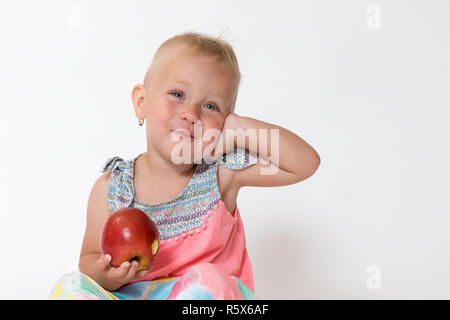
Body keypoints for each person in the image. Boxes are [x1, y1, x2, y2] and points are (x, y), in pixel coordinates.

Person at [49, 31, 321, 300]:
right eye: (177, 94)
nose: (191, 114)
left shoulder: (222, 174)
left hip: (201, 300)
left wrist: (242, 129)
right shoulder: (113, 188)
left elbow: (304, 164)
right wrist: (106, 275)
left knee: (208, 279)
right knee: (70, 287)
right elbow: (88, 260)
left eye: (211, 106)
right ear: (141, 103)